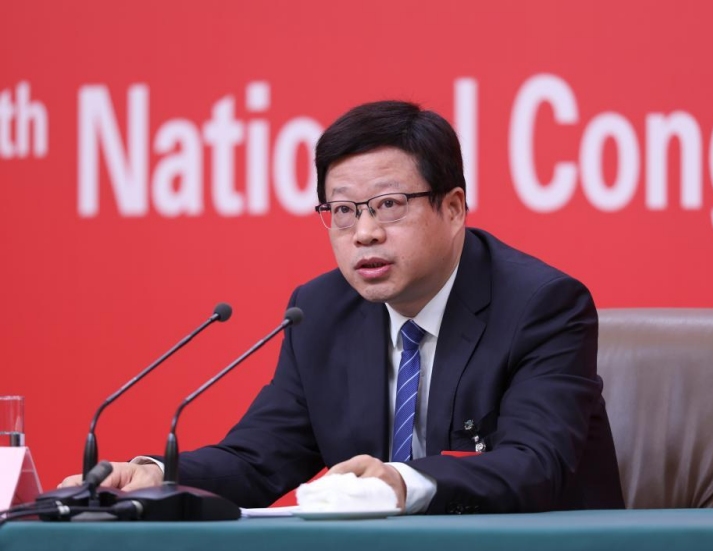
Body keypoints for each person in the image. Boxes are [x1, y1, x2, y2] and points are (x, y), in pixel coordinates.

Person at [61, 100, 625, 514]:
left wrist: (402, 482)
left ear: (453, 209)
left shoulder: (541, 305)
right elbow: (258, 459)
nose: (364, 233)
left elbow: (534, 463)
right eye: (344, 211)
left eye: (389, 205)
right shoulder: (321, 311)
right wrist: (155, 475)